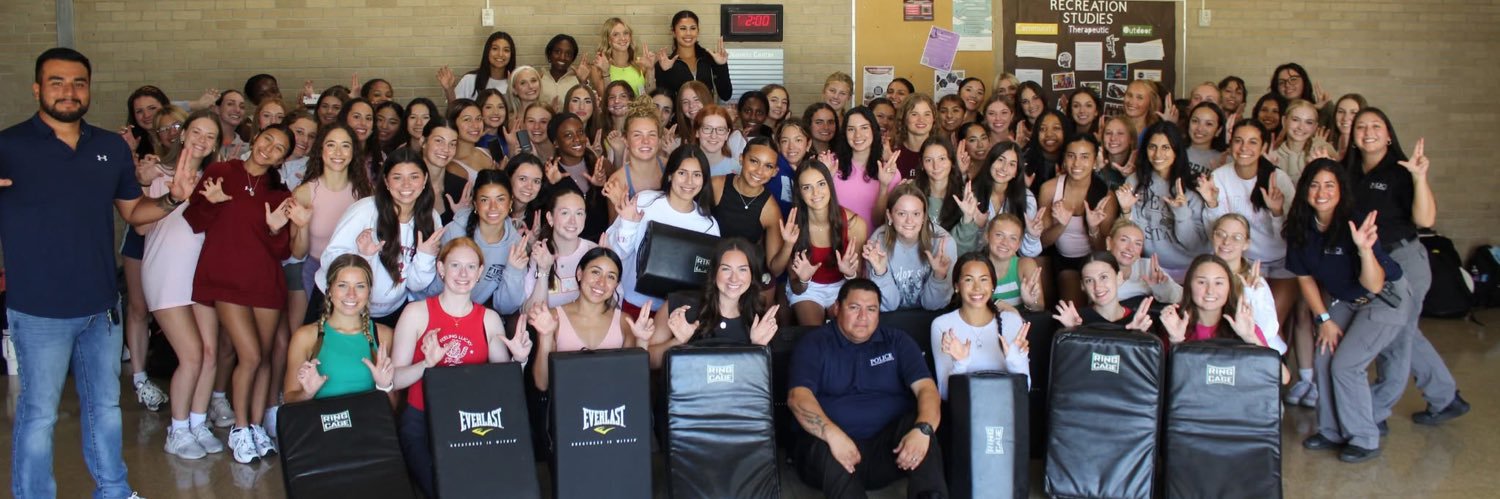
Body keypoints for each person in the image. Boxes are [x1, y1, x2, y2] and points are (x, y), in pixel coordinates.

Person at [4, 54, 200, 499]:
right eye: (57, 83)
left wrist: (173, 198)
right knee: (39, 415)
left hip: (100, 308)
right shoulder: (9, 146)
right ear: (37, 89)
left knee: (106, 409)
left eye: (78, 83)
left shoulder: (109, 148)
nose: (68, 92)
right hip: (39, 310)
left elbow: (135, 214)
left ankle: (113, 489)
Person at [1343, 110, 1468, 428]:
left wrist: (1420, 178)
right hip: (1371, 264)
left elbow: (1425, 220)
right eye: (1360, 127)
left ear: (1388, 135)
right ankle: (1445, 396)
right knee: (1405, 331)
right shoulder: (1350, 171)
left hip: (1404, 262)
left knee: (1395, 339)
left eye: (1375, 126)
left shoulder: (1401, 171)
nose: (1367, 132)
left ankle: (1374, 412)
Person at [184, 123, 296, 464]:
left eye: (279, 148)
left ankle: (257, 426)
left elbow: (281, 251)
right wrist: (215, 203)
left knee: (261, 357)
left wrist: (276, 228)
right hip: (226, 280)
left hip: (264, 282)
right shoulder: (222, 171)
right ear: (257, 138)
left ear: (283, 159)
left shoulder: (280, 193)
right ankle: (240, 428)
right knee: (249, 355)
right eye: (267, 140)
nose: (269, 149)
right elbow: (194, 219)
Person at [1284, 159, 1407, 464]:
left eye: (1329, 185)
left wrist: (1365, 249)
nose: (1321, 192)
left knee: (1346, 365)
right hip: (1346, 302)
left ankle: (1364, 437)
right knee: (1324, 355)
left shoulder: (1356, 222)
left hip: (1383, 299)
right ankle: (1331, 431)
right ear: (1304, 191)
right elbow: (1304, 278)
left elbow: (1375, 284)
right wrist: (1323, 318)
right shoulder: (1301, 225)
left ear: (1341, 190)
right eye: (1314, 185)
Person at [388, 238, 532, 497]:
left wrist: (519, 360)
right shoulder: (416, 313)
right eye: (455, 265)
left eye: (470, 267)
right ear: (441, 269)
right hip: (423, 420)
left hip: (475, 421)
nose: (463, 274)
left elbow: (504, 384)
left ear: (479, 273)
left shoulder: (489, 319)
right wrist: (426, 364)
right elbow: (394, 380)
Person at [787, 278, 948, 498]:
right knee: (819, 442)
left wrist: (923, 430)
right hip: (830, 455)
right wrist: (833, 436)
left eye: (871, 309)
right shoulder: (815, 343)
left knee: (919, 425)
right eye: (854, 308)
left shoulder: (897, 341)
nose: (863, 317)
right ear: (837, 308)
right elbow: (798, 396)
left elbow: (927, 390)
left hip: (888, 452)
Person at [316, 148, 443, 326]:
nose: (406, 185)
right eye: (397, 177)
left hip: (389, 311)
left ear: (425, 180)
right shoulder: (364, 211)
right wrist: (362, 259)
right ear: (386, 181)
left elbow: (415, 285)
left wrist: (425, 256)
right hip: (341, 303)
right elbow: (329, 258)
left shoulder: (431, 219)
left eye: (414, 177)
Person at [603, 144, 721, 317]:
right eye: (682, 173)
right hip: (632, 303)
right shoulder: (644, 202)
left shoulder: (709, 225)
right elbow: (614, 253)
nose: (689, 181)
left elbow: (707, 278)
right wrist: (628, 223)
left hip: (678, 314)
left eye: (697, 175)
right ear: (670, 175)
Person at [526, 247, 654, 391]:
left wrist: (642, 341)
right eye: (595, 272)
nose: (601, 282)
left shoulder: (624, 321)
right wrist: (546, 336)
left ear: (616, 285)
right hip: (567, 408)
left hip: (612, 409)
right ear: (580, 273)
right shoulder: (554, 317)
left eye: (610, 276)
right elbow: (542, 384)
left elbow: (633, 381)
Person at [646, 238, 782, 367]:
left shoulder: (758, 321)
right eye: (726, 269)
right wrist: (679, 342)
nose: (734, 279)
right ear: (714, 273)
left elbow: (759, 383)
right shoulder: (681, 306)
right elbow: (649, 362)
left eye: (742, 270)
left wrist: (757, 347)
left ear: (752, 275)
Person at [282, 254, 395, 403]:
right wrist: (307, 393)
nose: (351, 294)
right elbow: (289, 399)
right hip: (321, 424)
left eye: (360, 286)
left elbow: (392, 409)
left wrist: (384, 386)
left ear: (369, 292)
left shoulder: (384, 335)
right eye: (342, 285)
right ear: (329, 290)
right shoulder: (305, 336)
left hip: (366, 425)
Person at [931, 253, 1033, 399]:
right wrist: (960, 363)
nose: (977, 287)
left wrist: (1015, 360)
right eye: (968, 280)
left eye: (984, 279)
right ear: (956, 286)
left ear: (993, 285)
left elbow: (1025, 387)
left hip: (1006, 411)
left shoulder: (1012, 321)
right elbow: (945, 394)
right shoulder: (942, 325)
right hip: (966, 413)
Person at [1115, 121, 1208, 281]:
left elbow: (1194, 244)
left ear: (1176, 151)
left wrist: (1181, 212)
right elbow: (1130, 235)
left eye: (1166, 147)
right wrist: (1126, 211)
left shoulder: (1192, 187)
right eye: (1152, 147)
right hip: (1149, 270)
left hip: (1189, 270)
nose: (1158, 154)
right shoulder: (1135, 181)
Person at [780, 161, 869, 325]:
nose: (816, 192)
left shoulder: (855, 225)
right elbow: (796, 288)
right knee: (814, 334)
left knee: (845, 330)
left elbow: (858, 284)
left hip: (844, 286)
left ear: (830, 185)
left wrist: (850, 274)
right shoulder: (793, 226)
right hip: (809, 289)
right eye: (807, 187)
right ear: (799, 193)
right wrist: (804, 280)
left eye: (821, 184)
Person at [1038, 134, 1118, 305]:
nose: (1077, 164)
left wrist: (1093, 228)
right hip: (1061, 259)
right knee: (1072, 305)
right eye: (1071, 156)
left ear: (1095, 161)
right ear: (1064, 159)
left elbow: (1103, 250)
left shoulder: (1105, 196)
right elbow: (1042, 242)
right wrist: (1061, 225)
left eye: (1084, 157)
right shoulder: (1049, 189)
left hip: (1092, 260)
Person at [1159, 254, 1286, 353]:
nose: (1210, 291)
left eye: (1218, 283)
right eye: (1201, 282)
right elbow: (1164, 380)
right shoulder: (1174, 323)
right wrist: (1176, 340)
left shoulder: (1244, 323)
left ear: (1229, 288)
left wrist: (1250, 337)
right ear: (1189, 285)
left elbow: (1283, 377)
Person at [863, 184, 958, 312]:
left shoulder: (943, 243)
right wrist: (881, 272)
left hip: (930, 315)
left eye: (916, 214)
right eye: (902, 214)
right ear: (890, 216)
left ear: (924, 216)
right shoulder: (877, 244)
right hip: (891, 316)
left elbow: (933, 306)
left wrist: (939, 277)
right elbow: (888, 305)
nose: (909, 221)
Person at [1207, 214, 1287, 354]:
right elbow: (1188, 298)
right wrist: (1165, 287)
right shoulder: (1203, 271)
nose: (1226, 242)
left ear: (1246, 244)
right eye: (1221, 234)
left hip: (1255, 353)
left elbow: (1268, 331)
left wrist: (1253, 296)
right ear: (1212, 236)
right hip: (1218, 349)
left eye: (1236, 237)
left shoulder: (1255, 282)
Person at [523, 184, 599, 309]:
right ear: (550, 218)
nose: (573, 221)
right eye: (565, 213)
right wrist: (544, 271)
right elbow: (529, 314)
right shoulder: (540, 253)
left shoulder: (594, 252)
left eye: (579, 213)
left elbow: (612, 307)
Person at [1050, 252, 1157, 331]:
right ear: (1082, 286)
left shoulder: (1140, 320)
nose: (1098, 287)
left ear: (1119, 278)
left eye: (1103, 277)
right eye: (1089, 280)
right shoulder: (1074, 320)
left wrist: (1138, 336)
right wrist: (1070, 332)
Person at [831, 106, 900, 227]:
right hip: (839, 243)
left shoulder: (889, 171)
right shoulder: (830, 164)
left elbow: (880, 222)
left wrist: (884, 185)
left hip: (875, 244)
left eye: (864, 128)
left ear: (874, 130)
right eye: (851, 129)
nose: (858, 135)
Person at [655, 10, 732, 102]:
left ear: (698, 31)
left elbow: (726, 95)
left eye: (693, 28)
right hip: (679, 116)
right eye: (683, 28)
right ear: (674, 32)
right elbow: (664, 103)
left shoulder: (710, 59)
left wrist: (721, 66)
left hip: (707, 115)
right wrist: (666, 72)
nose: (688, 33)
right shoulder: (665, 63)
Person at [439, 31, 515, 103]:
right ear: (487, 51)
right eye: (495, 49)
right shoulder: (469, 80)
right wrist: (449, 90)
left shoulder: (515, 82)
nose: (500, 54)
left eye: (506, 50)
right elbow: (454, 111)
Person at [589, 18, 656, 95]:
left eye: (625, 33)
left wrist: (651, 69)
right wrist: (606, 72)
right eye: (616, 34)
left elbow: (651, 96)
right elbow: (606, 101)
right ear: (608, 40)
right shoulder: (597, 68)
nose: (623, 38)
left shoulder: (641, 63)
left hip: (641, 107)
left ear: (630, 37)